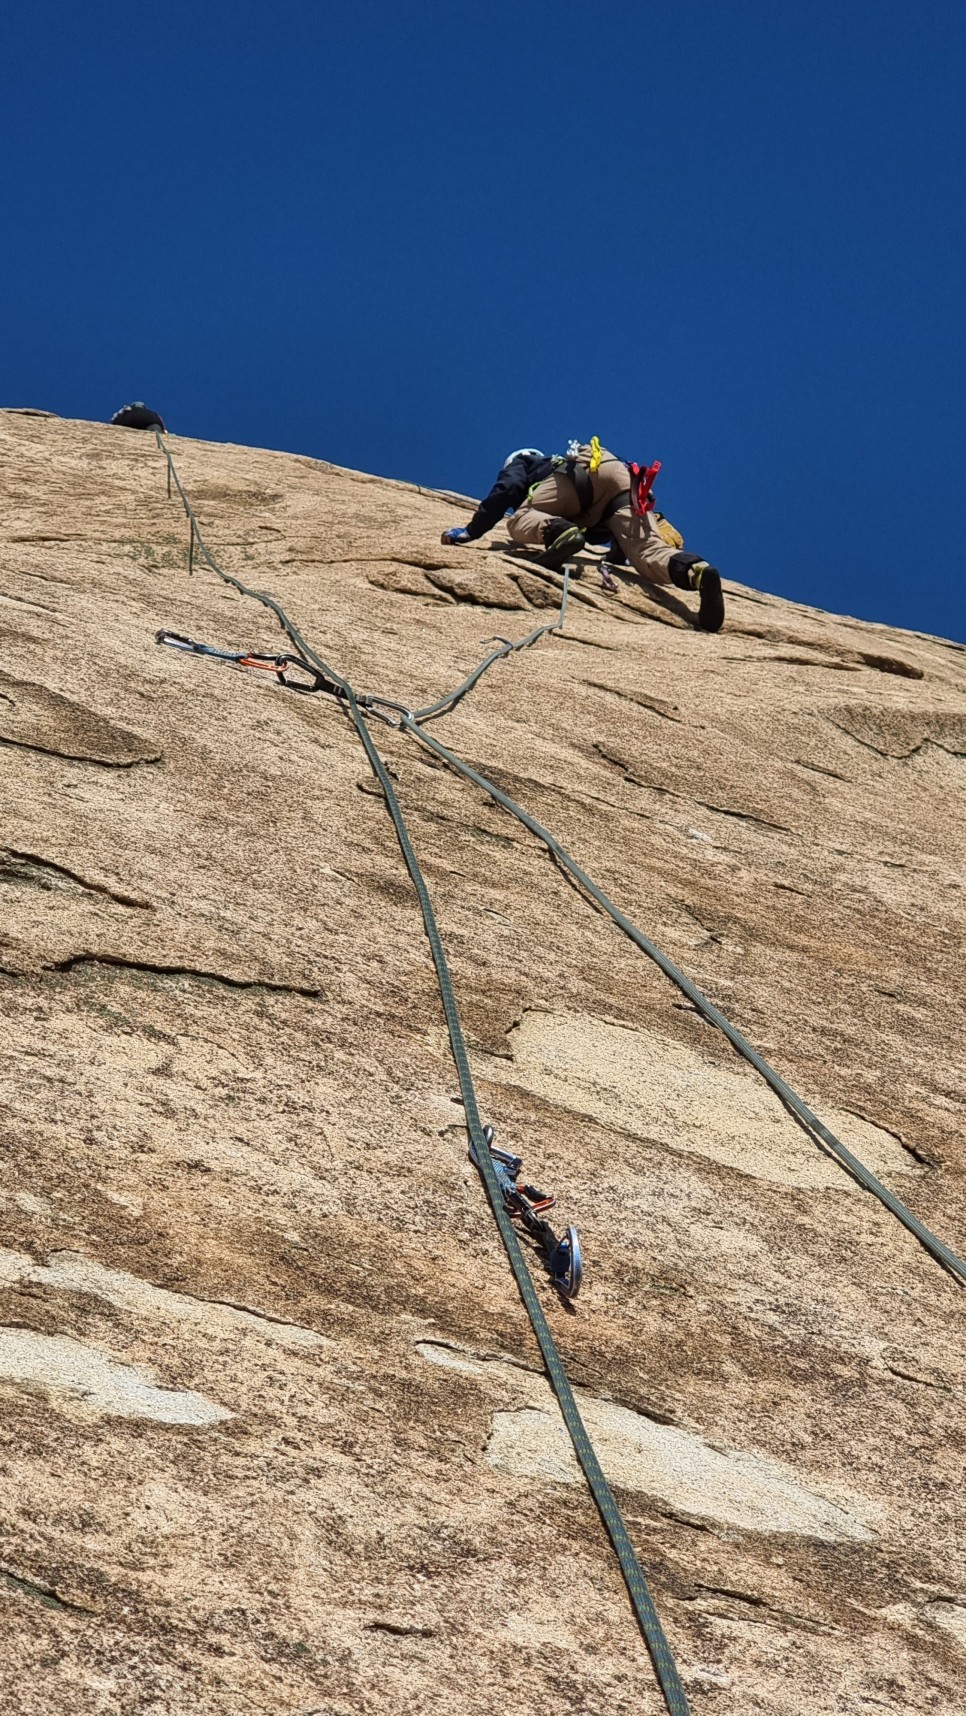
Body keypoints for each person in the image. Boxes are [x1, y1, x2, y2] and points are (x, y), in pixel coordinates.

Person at [441, 440, 725, 632]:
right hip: (622, 477)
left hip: (579, 477)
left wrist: (471, 531)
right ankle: (696, 572)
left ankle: (561, 532)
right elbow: (620, 542)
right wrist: (616, 555)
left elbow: (507, 489)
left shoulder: (528, 462)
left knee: (519, 521)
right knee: (648, 551)